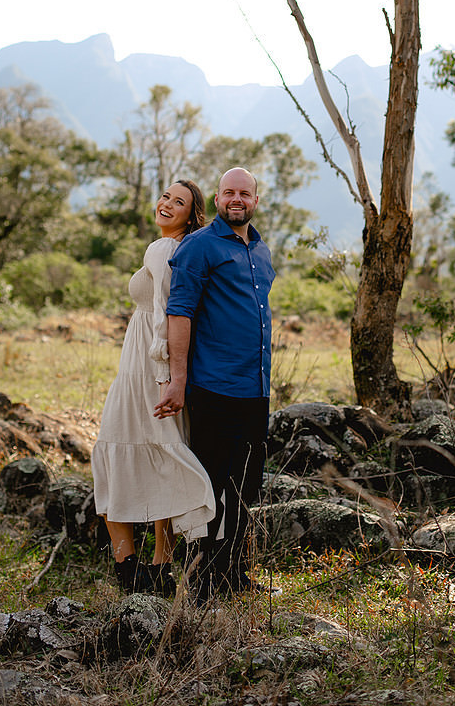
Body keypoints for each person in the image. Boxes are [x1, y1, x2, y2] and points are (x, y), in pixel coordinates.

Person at [92, 180, 216, 596]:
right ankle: (160, 565)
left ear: (191, 213)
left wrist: (164, 375)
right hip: (148, 361)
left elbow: (168, 309)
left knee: (116, 446)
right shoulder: (179, 247)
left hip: (147, 366)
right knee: (159, 450)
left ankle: (127, 567)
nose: (166, 204)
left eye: (178, 202)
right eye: (165, 196)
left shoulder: (163, 249)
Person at [157, 167, 275, 600]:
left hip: (255, 389)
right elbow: (180, 312)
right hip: (213, 387)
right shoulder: (199, 246)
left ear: (255, 200)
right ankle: (203, 578)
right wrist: (178, 380)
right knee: (210, 484)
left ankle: (234, 573)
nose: (236, 199)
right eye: (229, 192)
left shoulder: (260, 250)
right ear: (219, 199)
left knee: (246, 486)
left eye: (244, 193)